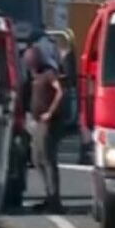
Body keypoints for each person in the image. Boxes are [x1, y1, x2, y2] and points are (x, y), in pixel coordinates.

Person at [25, 45, 64, 213]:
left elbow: (60, 92)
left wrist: (50, 112)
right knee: (36, 159)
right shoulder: (33, 76)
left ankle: (54, 200)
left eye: (32, 59)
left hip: (47, 123)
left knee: (48, 160)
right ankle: (49, 195)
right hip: (36, 122)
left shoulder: (48, 73)